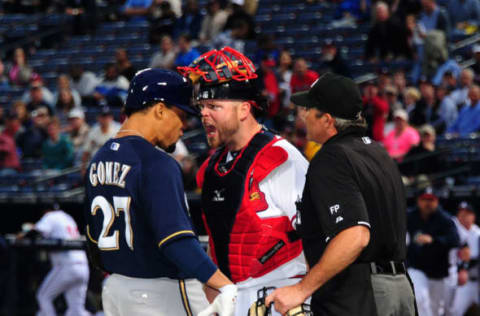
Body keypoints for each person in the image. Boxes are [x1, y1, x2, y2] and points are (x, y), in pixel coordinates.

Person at [84, 68, 237, 316]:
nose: (184, 127)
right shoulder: (157, 162)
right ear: (160, 110)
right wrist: (224, 285)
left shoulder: (97, 160)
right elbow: (175, 241)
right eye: (182, 115)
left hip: (115, 290)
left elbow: (93, 240)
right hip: (162, 292)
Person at [266, 72, 416, 316]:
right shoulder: (378, 152)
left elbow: (355, 235)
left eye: (308, 109)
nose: (302, 115)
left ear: (327, 120)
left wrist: (301, 289)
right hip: (398, 288)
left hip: (360, 294)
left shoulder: (331, 157)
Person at [178, 47, 309, 316]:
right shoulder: (210, 169)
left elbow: (321, 238)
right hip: (234, 301)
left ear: (244, 109)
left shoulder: (280, 158)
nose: (204, 115)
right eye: (202, 107)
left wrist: (305, 292)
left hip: (283, 297)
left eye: (214, 106)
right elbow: (217, 244)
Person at [18, 203, 90, 316]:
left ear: (46, 211)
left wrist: (23, 235)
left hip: (67, 265)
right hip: (83, 267)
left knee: (43, 297)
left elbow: (35, 232)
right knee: (76, 309)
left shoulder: (51, 216)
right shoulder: (68, 217)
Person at [407, 187, 460, 316]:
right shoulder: (409, 216)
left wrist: (434, 240)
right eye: (424, 199)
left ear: (437, 201)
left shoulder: (445, 219)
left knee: (436, 309)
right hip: (416, 268)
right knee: (420, 299)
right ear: (418, 201)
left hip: (438, 272)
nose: (428, 203)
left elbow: (454, 240)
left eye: (431, 200)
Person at [450, 202, 480, 316]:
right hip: (460, 282)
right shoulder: (453, 230)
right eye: (461, 214)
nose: (464, 217)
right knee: (454, 312)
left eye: (467, 214)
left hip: (475, 280)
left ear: (473, 216)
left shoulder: (477, 233)